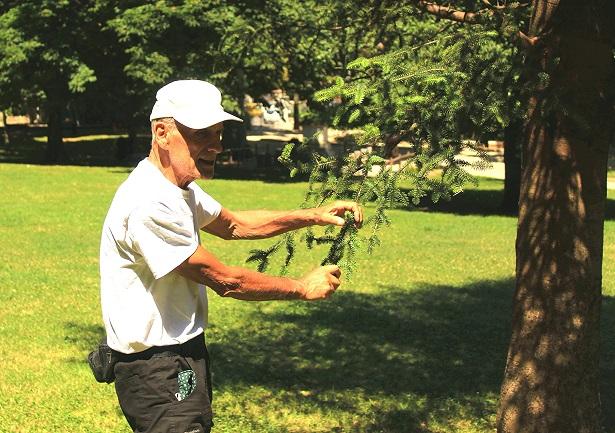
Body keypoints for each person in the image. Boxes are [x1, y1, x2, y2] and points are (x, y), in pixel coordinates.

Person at [99, 79, 363, 433]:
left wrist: (312, 215)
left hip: (181, 353)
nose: (215, 146)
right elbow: (226, 280)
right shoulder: (149, 202)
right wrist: (301, 287)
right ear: (162, 133)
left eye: (219, 134)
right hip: (155, 367)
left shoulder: (178, 189)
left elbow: (235, 224)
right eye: (201, 134)